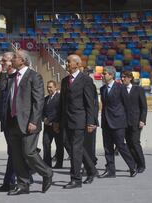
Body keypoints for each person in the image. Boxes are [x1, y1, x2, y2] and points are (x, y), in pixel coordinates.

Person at [4, 50, 53, 195]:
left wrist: (34, 121)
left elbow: (38, 101)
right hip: (12, 121)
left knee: (29, 152)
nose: (12, 59)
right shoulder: (12, 77)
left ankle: (47, 172)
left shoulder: (34, 76)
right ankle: (23, 184)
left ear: (23, 61)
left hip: (28, 123)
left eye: (15, 57)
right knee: (16, 155)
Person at [58, 54, 97, 189]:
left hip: (79, 120)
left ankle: (76, 179)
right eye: (67, 61)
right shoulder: (64, 81)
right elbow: (61, 103)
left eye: (69, 62)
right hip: (66, 121)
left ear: (78, 64)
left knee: (76, 149)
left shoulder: (86, 80)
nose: (66, 63)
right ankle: (91, 169)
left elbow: (90, 103)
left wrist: (91, 122)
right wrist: (58, 121)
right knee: (73, 147)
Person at [99, 66, 137, 178]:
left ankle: (132, 166)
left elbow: (127, 105)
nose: (103, 75)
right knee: (107, 147)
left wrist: (129, 122)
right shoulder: (102, 89)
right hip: (106, 122)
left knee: (121, 146)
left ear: (111, 75)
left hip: (118, 122)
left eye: (105, 73)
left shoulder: (120, 87)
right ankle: (111, 171)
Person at [0, 52, 17, 191]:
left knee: (15, 152)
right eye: (1, 60)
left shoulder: (19, 76)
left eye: (4, 60)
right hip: (6, 121)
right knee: (13, 152)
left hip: (17, 121)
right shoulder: (3, 76)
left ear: (12, 61)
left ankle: (10, 182)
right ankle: (13, 180)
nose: (2, 62)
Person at [121, 70, 147, 173]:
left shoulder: (138, 89)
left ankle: (142, 165)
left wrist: (142, 120)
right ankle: (134, 164)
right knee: (129, 143)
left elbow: (144, 107)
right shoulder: (121, 90)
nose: (122, 79)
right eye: (122, 77)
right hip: (125, 122)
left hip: (136, 121)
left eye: (124, 77)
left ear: (130, 78)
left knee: (135, 142)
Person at [42, 80, 63, 168]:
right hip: (47, 126)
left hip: (56, 125)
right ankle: (47, 163)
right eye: (48, 87)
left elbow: (58, 111)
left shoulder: (59, 98)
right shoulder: (46, 99)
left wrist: (51, 120)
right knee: (46, 143)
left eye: (50, 87)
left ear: (55, 87)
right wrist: (44, 119)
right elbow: (42, 111)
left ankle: (59, 163)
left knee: (59, 145)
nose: (49, 89)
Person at [81, 67, 99, 166]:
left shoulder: (90, 86)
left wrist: (93, 121)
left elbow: (93, 106)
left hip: (90, 120)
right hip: (83, 119)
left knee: (89, 144)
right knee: (85, 144)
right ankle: (91, 160)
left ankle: (91, 163)